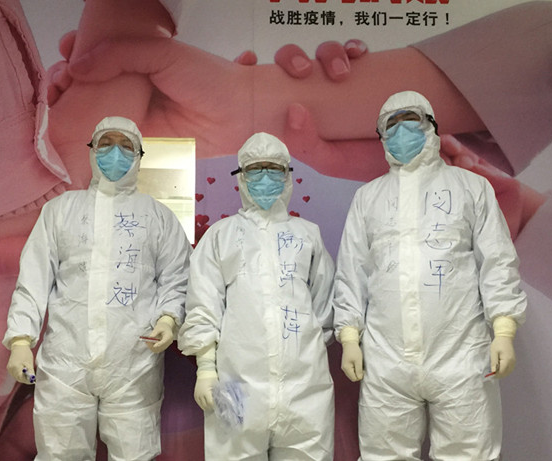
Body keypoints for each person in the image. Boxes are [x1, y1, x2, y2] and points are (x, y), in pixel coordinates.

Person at [333, 91, 527, 461]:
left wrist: (504, 329)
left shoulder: (471, 188)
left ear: (432, 127)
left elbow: (497, 261)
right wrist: (349, 337)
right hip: (386, 358)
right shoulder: (368, 198)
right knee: (383, 455)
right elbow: (352, 272)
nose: (401, 131)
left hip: (460, 353)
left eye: (410, 121)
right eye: (391, 125)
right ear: (381, 136)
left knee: (467, 454)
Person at [2, 116, 192, 460]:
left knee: (134, 455)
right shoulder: (60, 211)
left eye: (125, 146)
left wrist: (168, 319)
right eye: (106, 144)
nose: (115, 153)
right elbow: (33, 279)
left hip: (133, 363)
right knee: (59, 454)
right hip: (65, 362)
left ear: (139, 155)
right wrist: (20, 340)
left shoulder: (158, 217)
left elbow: (177, 277)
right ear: (91, 150)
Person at [178, 132, 335, 460]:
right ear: (241, 177)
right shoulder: (220, 236)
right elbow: (203, 304)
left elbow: (323, 308)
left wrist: (302, 352)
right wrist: (205, 367)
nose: (265, 177)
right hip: (236, 386)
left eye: (274, 169)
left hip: (305, 388)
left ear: (288, 175)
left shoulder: (307, 236)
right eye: (255, 169)